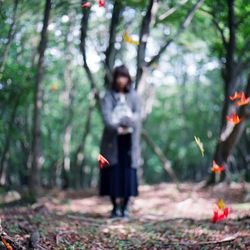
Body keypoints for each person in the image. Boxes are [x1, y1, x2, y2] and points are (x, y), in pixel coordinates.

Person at [99, 65, 141, 218]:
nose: (121, 80)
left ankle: (125, 208)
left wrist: (127, 121)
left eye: (124, 76)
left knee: (128, 174)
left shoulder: (134, 96)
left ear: (128, 78)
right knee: (112, 173)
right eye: (118, 76)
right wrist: (117, 126)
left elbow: (137, 115)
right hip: (112, 142)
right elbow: (107, 117)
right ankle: (114, 207)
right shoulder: (108, 96)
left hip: (130, 143)